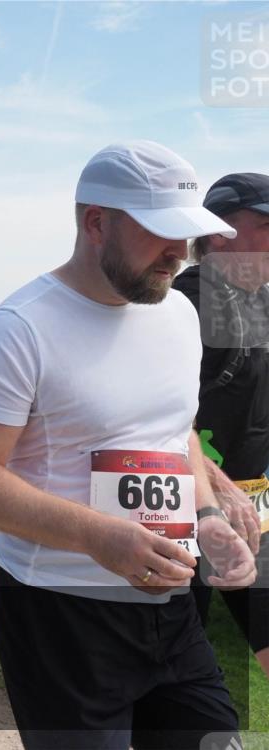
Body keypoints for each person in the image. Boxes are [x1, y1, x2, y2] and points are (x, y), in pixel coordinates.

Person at [0, 141, 257, 750]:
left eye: (187, 234)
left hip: (171, 603)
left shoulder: (179, 315)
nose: (179, 252)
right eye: (161, 231)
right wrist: (99, 537)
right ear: (95, 222)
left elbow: (174, 432)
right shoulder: (20, 329)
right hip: (59, 612)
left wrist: (209, 515)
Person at [173, 172, 269, 679]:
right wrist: (218, 491)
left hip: (251, 514)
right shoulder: (185, 304)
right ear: (219, 234)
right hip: (183, 518)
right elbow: (158, 421)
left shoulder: (259, 301)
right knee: (170, 669)